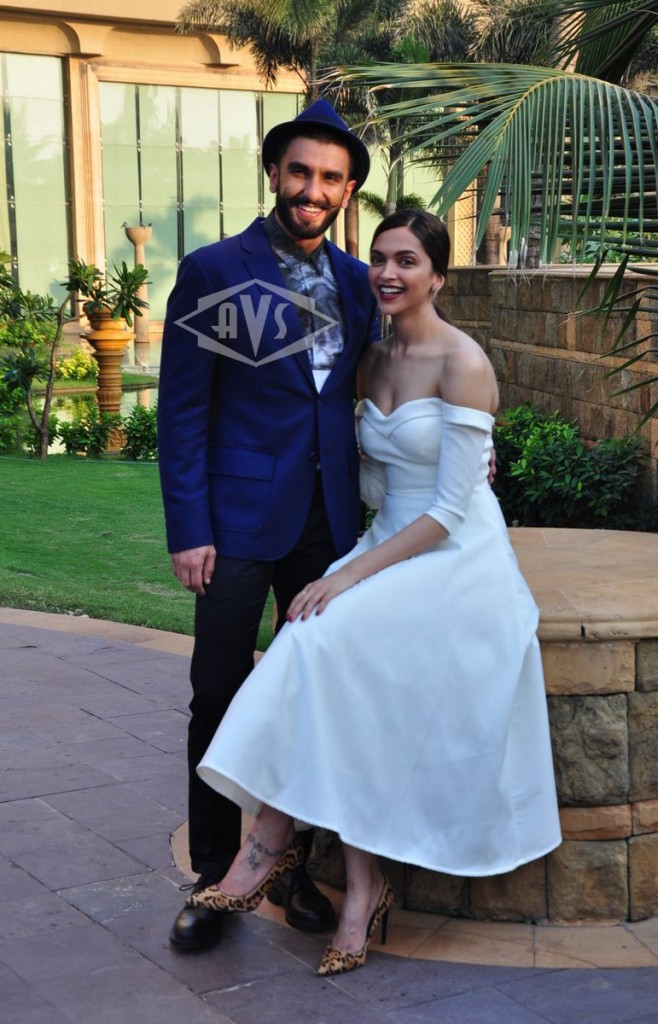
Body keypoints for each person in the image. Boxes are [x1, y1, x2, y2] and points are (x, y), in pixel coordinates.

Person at [185, 210, 563, 977]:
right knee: (315, 644)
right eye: (380, 259)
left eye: (407, 261)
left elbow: (450, 509)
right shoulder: (369, 360)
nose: (388, 273)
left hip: (455, 555)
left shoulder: (462, 362)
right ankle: (353, 883)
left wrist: (348, 573)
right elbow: (365, 471)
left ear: (438, 277)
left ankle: (269, 847)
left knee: (325, 639)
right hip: (389, 539)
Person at [157, 99, 380, 951]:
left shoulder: (359, 283)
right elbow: (183, 410)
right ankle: (215, 873)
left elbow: (387, 378)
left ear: (347, 190)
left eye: (330, 178)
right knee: (218, 691)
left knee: (313, 701)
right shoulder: (218, 270)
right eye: (300, 172)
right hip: (235, 522)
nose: (312, 189)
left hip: (329, 527)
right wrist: (189, 527)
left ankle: (291, 867)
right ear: (275, 174)